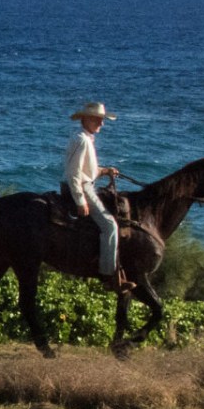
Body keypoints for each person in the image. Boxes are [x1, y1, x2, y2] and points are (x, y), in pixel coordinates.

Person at [64, 102, 127, 290]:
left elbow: (86, 170)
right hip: (82, 188)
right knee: (110, 226)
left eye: (102, 120)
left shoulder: (85, 138)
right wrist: (80, 199)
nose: (102, 124)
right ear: (86, 119)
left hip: (85, 183)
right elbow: (73, 173)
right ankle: (108, 275)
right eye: (98, 120)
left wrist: (104, 170)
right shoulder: (82, 140)